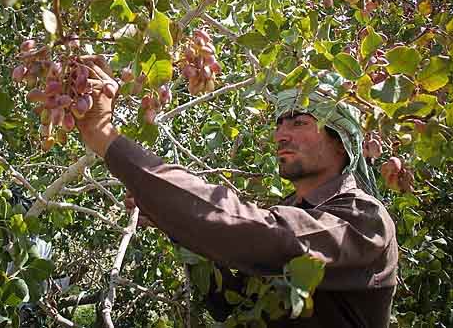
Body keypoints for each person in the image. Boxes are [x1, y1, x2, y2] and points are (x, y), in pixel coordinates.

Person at [77, 66, 398, 327]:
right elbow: (227, 301)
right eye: (279, 124)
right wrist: (172, 221)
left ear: (341, 142)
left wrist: (106, 138)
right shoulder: (288, 209)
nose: (281, 134)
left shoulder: (363, 217)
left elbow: (264, 236)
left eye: (300, 122)